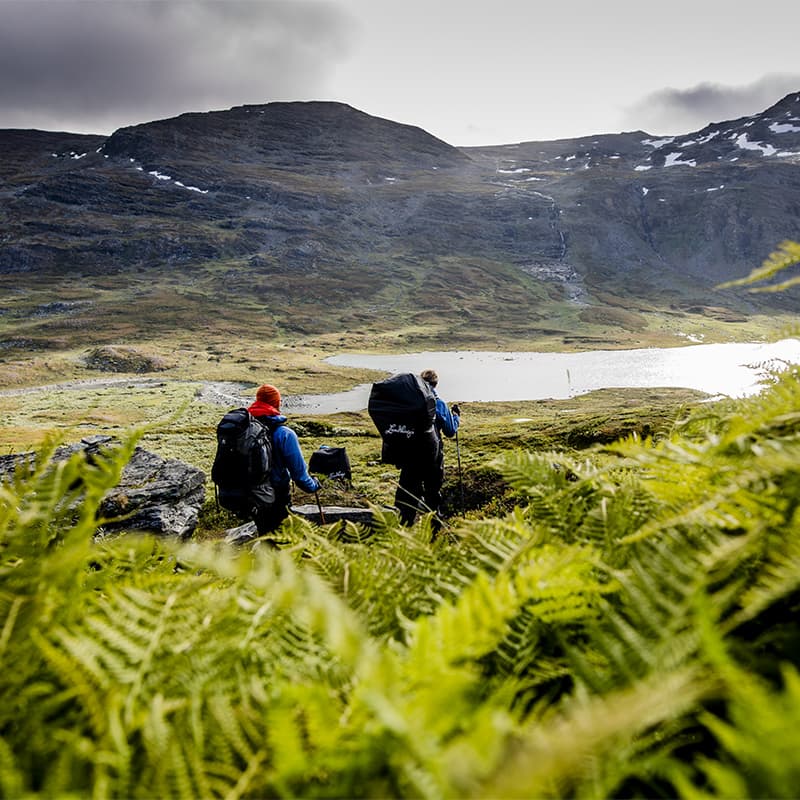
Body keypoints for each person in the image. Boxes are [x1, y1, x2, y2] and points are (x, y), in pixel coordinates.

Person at [247, 383, 320, 535]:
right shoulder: (284, 434)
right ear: (276, 403)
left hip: (249, 494)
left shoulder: (246, 430)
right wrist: (314, 486)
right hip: (275, 497)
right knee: (281, 539)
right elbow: (299, 476)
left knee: (264, 534)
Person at [395, 369, 460, 529]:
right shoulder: (438, 403)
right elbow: (450, 431)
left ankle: (403, 531)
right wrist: (456, 417)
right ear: (436, 383)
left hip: (410, 457)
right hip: (432, 458)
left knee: (407, 497)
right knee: (432, 495)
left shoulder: (409, 402)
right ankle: (435, 533)